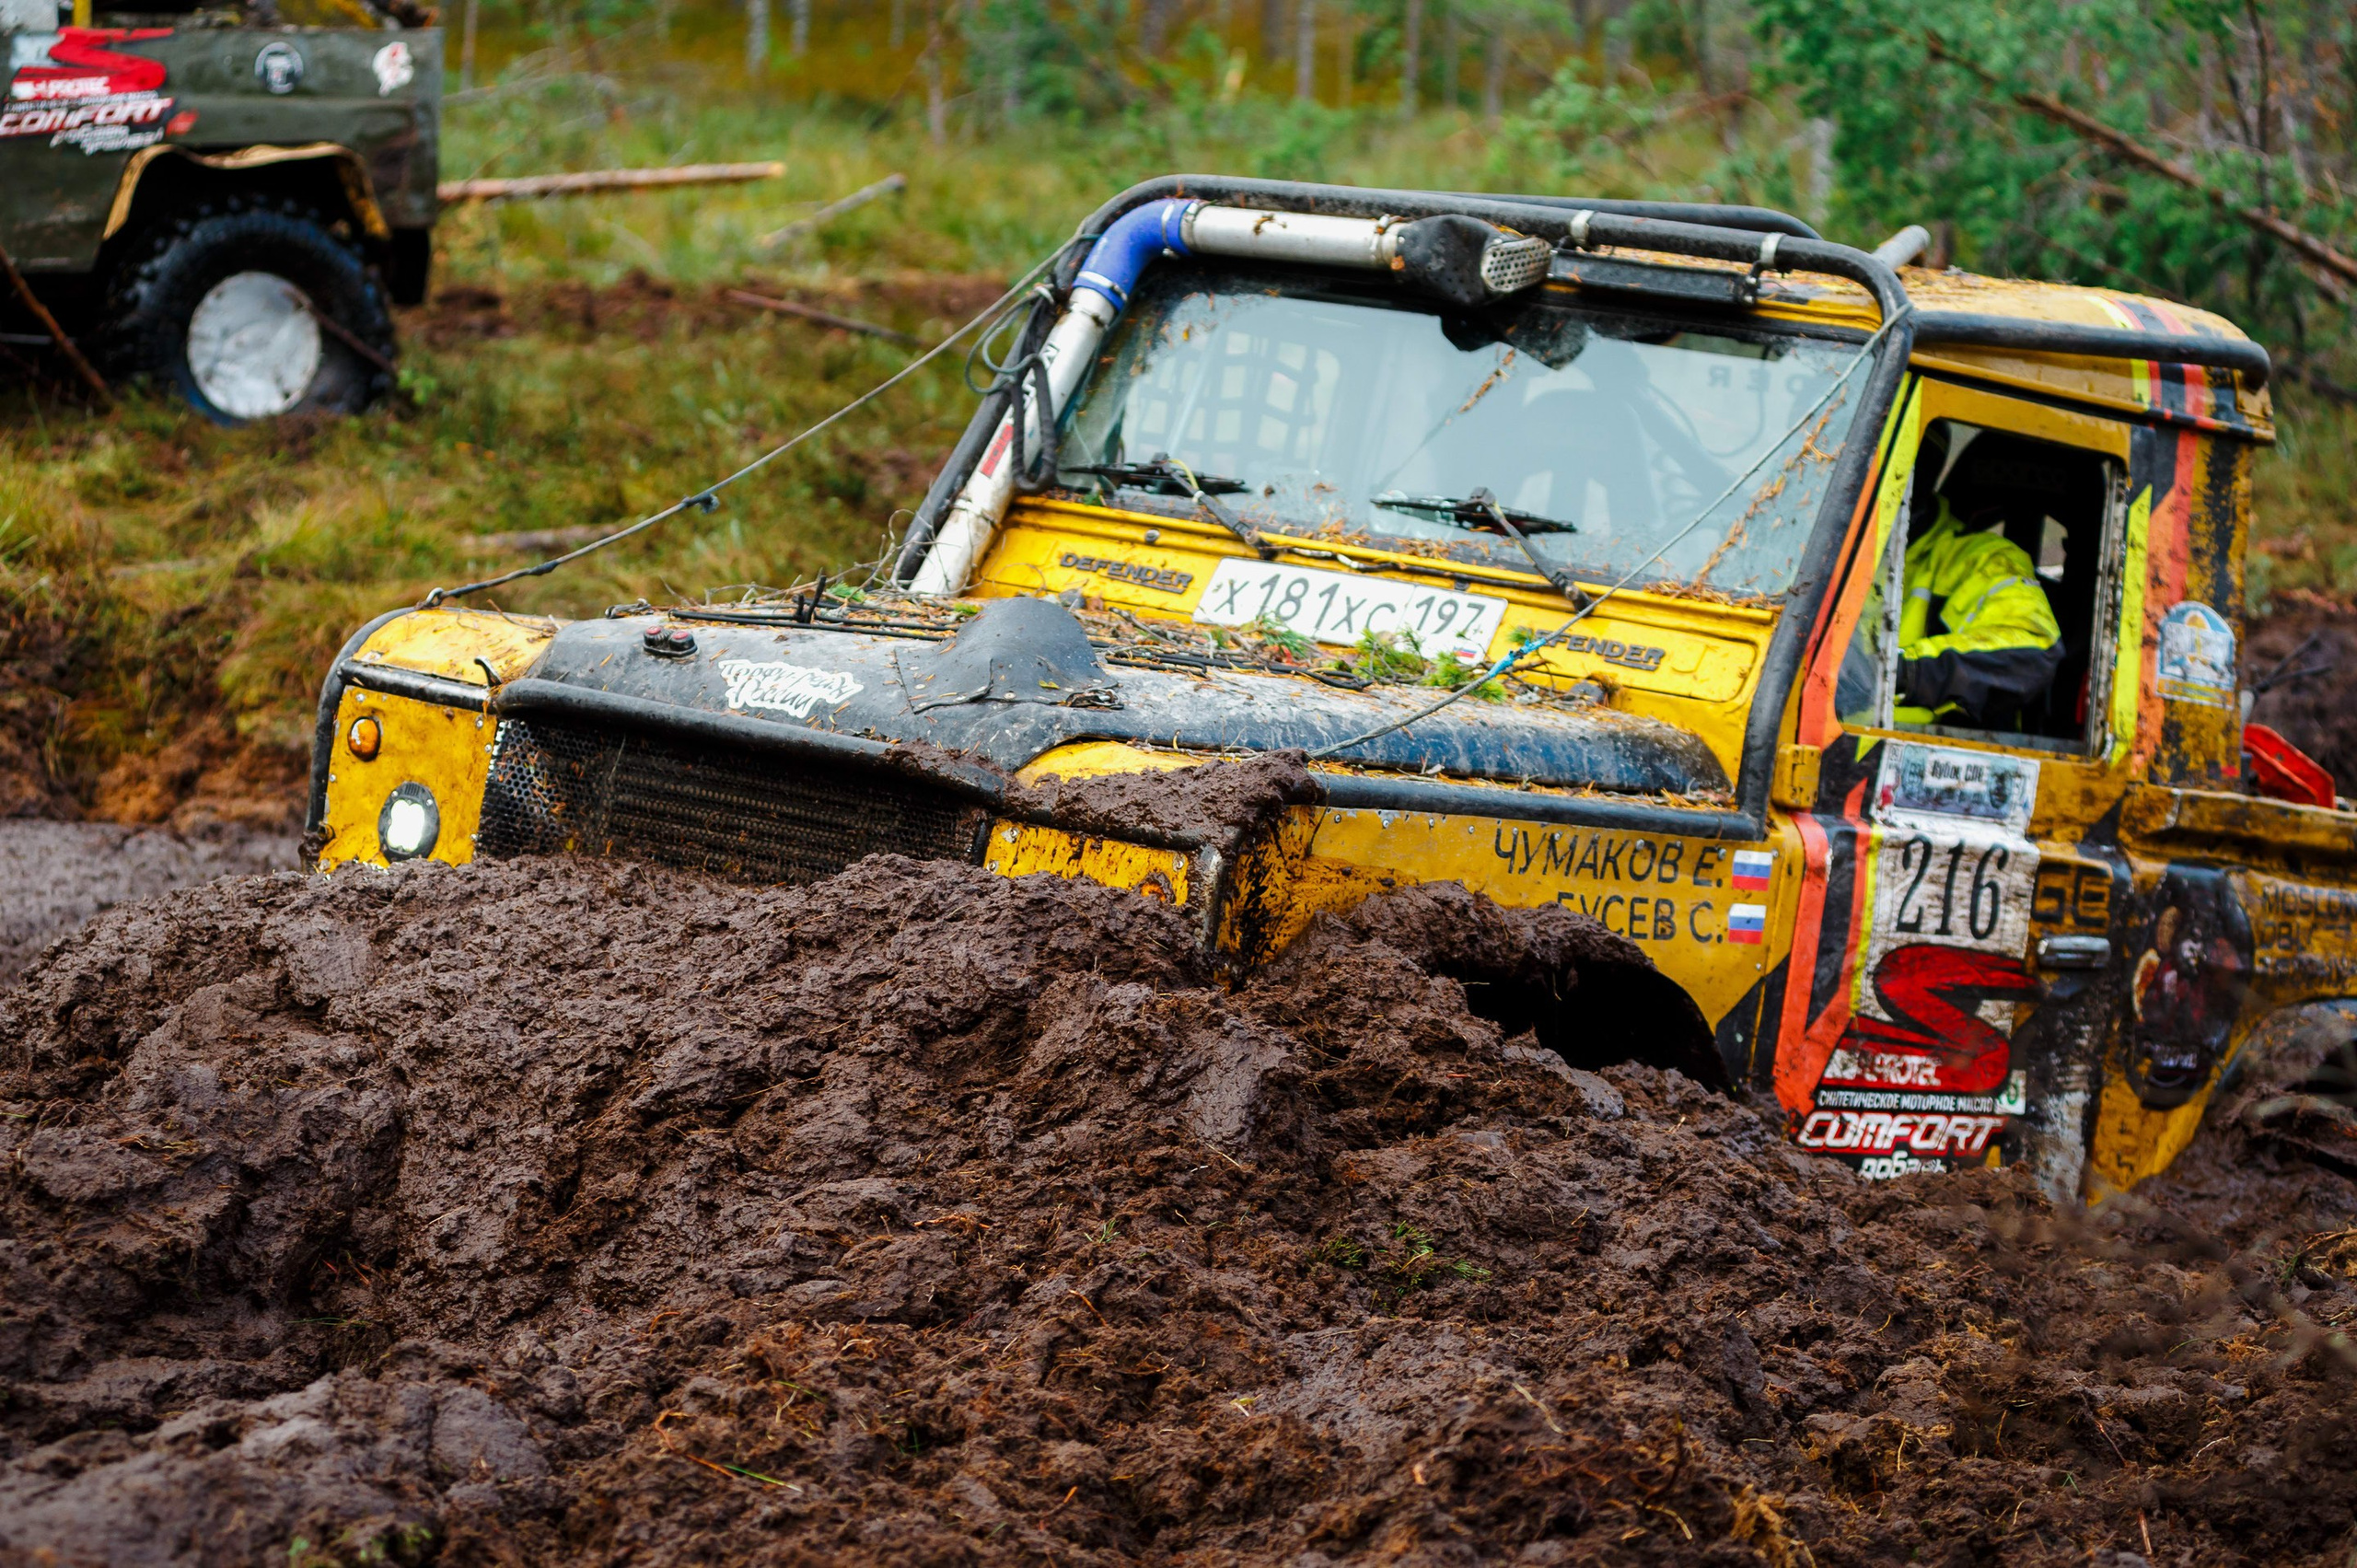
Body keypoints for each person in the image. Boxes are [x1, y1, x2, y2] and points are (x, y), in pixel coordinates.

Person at [1890, 427, 2064, 731]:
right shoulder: (1825, 548)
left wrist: (1903, 671)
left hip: (1908, 753)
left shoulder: (1983, 560)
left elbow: (2035, 648)